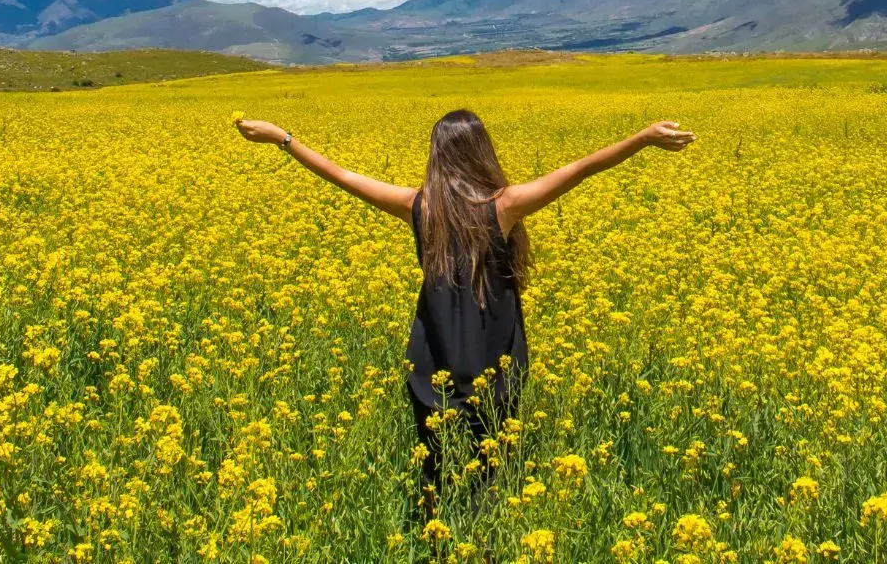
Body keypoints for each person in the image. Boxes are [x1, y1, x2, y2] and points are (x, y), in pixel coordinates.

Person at [231, 108, 694, 513]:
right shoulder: (504, 207)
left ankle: (437, 542)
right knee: (490, 483)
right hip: (496, 369)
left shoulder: (419, 207)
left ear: (438, 156)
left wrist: (284, 138)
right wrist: (642, 139)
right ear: (480, 154)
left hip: (432, 368)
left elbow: (343, 176)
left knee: (435, 473)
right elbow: (582, 169)